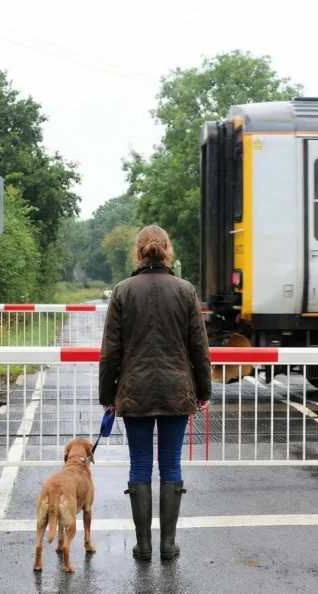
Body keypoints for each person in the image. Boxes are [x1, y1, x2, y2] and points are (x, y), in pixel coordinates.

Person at [98, 224, 212, 562]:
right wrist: (203, 390)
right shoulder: (185, 290)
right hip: (178, 391)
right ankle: (168, 544)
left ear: (138, 252)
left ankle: (143, 545)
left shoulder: (122, 291)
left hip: (134, 392)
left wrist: (108, 394)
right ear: (167, 251)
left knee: (140, 465)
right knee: (171, 464)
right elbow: (198, 349)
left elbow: (111, 352)